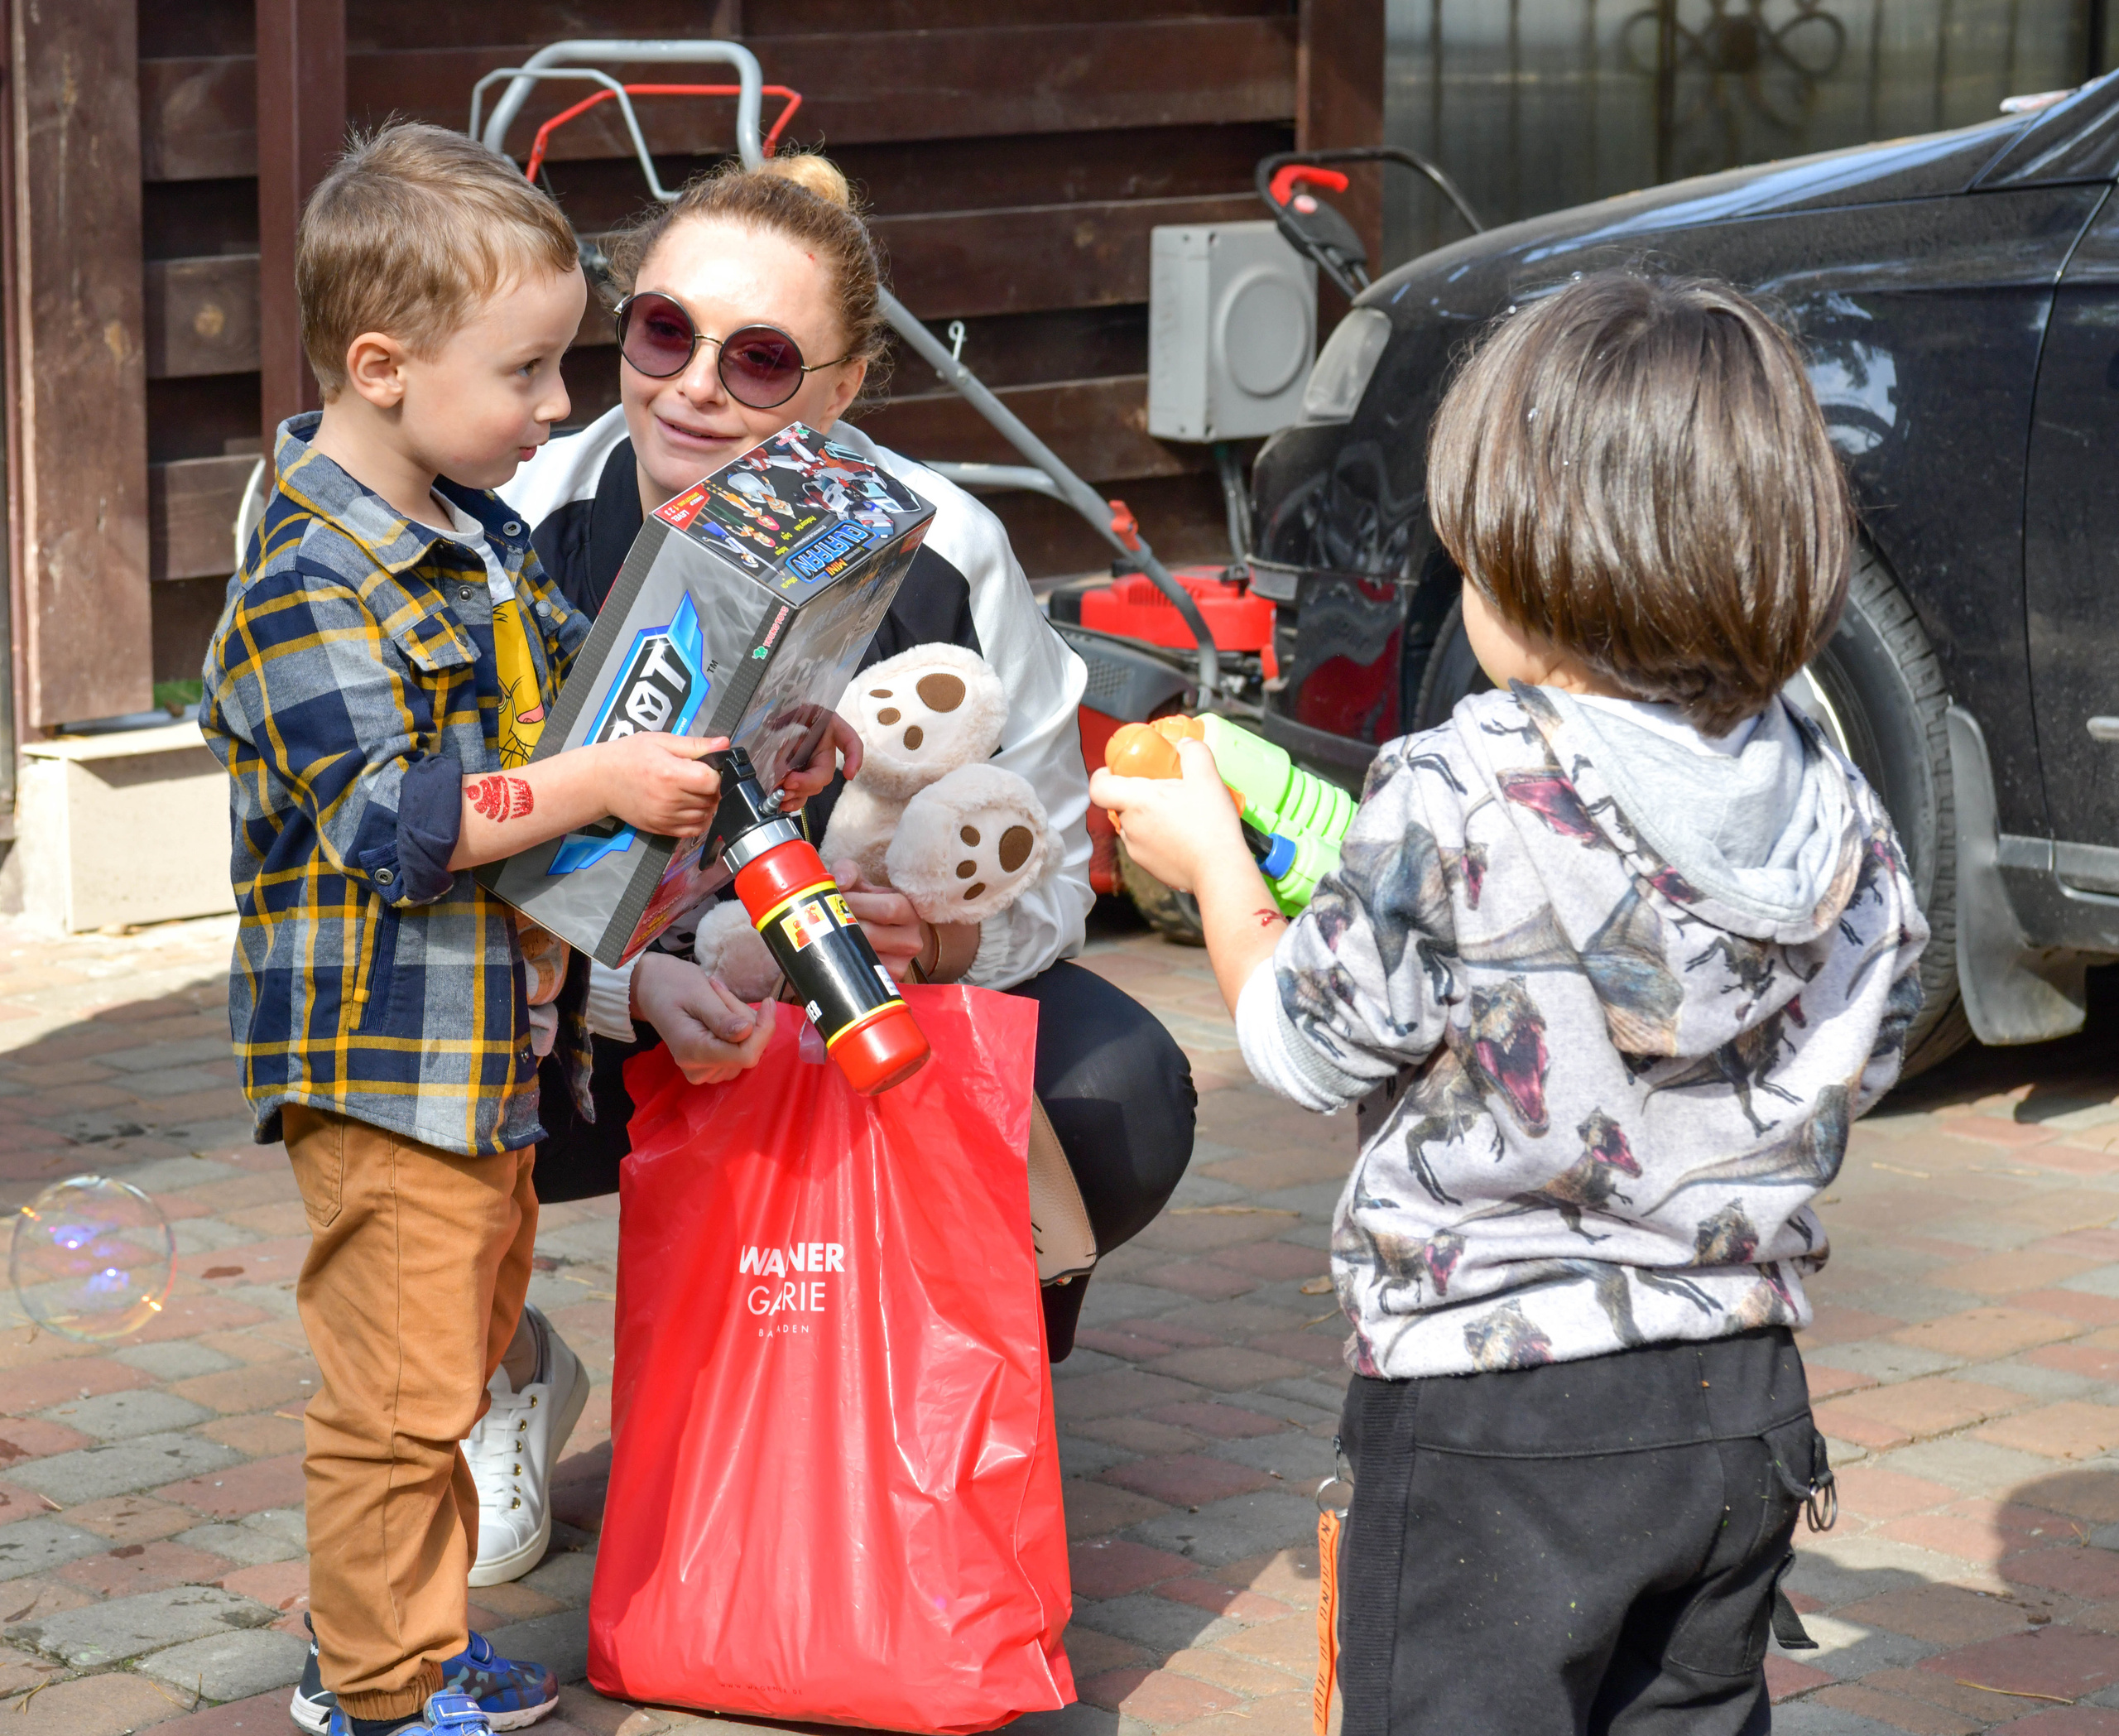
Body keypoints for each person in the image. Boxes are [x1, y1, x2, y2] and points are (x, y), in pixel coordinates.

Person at [1093, 272, 1928, 1734]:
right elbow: (1880, 1034)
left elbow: (1302, 1042)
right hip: (1738, 1397)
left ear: (1545, 571)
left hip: (1490, 1407)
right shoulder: (1831, 794)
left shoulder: (1458, 783)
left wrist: (1216, 869)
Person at [199, 125, 844, 1736]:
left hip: (492, 1049)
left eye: (564, 362)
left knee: (458, 1357)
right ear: (382, 366)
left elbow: (596, 705)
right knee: (399, 1392)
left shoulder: (476, 529)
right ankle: (378, 1684)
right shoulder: (305, 580)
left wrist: (754, 743)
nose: (562, 406)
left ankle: (404, 1639)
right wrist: (589, 782)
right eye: (527, 371)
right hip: (383, 1063)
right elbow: (392, 821)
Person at [485, 151, 1196, 1580]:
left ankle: (941, 1363)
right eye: (662, 332)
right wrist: (630, 988)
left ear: (844, 385)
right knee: (394, 1041)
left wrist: (943, 939)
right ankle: (494, 1361)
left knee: (1115, 1090)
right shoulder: (516, 520)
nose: (692, 388)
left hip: (850, 996)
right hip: (583, 1003)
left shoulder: (947, 545)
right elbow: (438, 876)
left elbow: (1056, 870)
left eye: (757, 360)